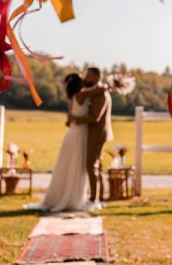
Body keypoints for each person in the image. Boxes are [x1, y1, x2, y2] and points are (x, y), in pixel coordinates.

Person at [25, 74, 106, 212]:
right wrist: (107, 86)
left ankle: (70, 196)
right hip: (78, 135)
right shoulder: (81, 95)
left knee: (71, 166)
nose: (85, 81)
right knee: (75, 165)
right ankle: (72, 198)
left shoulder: (74, 97)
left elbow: (70, 119)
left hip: (75, 133)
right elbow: (98, 91)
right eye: (83, 80)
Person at [70, 67, 113, 211]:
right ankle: (99, 196)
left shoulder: (101, 94)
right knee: (97, 165)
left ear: (95, 77)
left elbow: (96, 117)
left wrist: (76, 119)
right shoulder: (96, 91)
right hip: (95, 132)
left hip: (97, 132)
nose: (85, 78)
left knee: (90, 164)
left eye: (88, 76)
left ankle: (94, 198)